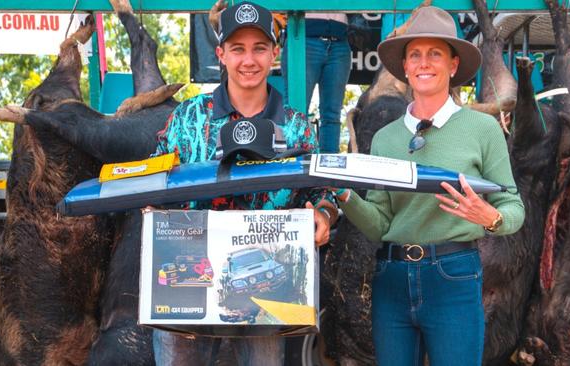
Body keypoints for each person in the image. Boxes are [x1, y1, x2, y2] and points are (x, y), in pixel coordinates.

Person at [333, 6, 525, 366]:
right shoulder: (386, 138)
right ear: (404, 66)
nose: (424, 63)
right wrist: (343, 196)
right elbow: (382, 224)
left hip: (453, 276)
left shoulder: (482, 131)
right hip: (390, 279)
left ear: (453, 65)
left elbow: (514, 207)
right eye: (415, 55)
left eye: (435, 53)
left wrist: (491, 217)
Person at [152, 2, 337, 365]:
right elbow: (155, 181)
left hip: (264, 311)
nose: (248, 60)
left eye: (259, 48)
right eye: (237, 49)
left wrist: (325, 215)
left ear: (275, 54)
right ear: (220, 54)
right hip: (187, 291)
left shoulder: (297, 127)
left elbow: (321, 192)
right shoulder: (186, 118)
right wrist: (152, 211)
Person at [282, 13, 351, 153]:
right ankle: (293, 166)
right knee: (295, 113)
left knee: (332, 114)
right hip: (303, 36)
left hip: (340, 40)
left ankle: (329, 168)